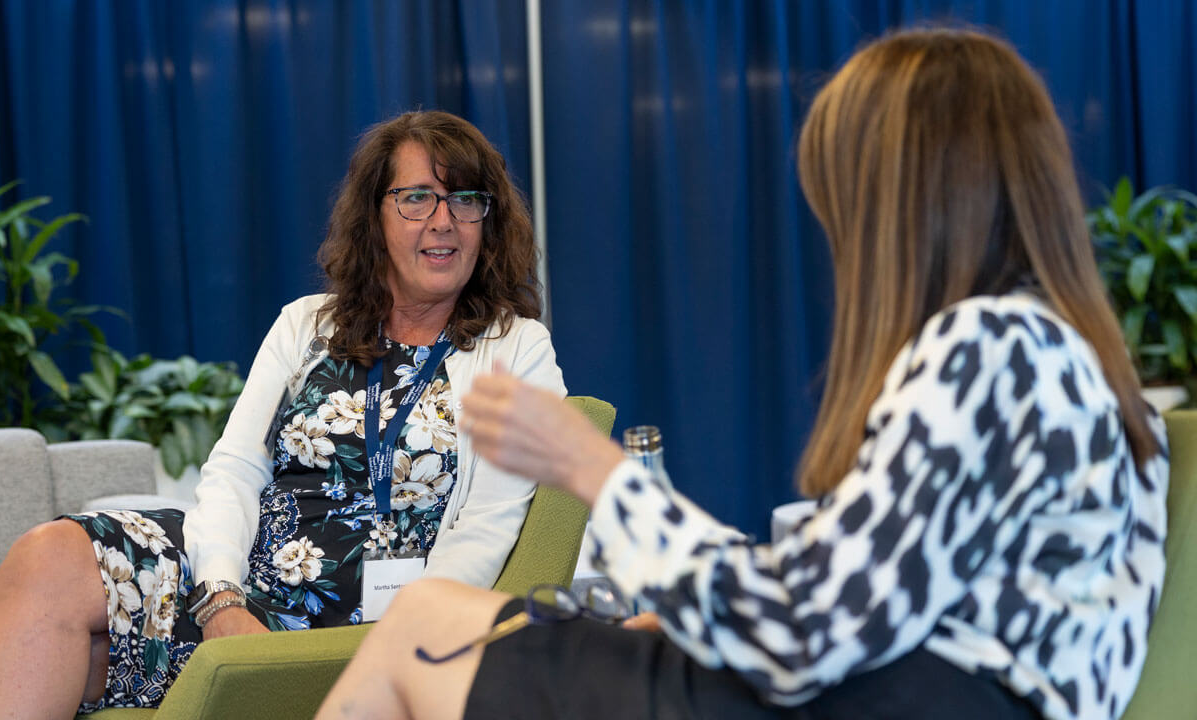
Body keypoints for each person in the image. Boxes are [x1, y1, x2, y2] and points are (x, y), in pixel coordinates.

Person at [313, 28, 1169, 720]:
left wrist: (593, 469)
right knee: (428, 624)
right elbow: (851, 592)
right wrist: (694, 604)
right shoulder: (1075, 356)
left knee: (420, 630)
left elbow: (803, 634)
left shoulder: (988, 348)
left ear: (906, 200)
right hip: (881, 681)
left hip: (883, 696)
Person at [0, 110, 566, 718]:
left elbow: (487, 525)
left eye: (465, 199)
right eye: (416, 199)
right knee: (48, 555)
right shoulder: (307, 323)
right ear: (375, 218)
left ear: (489, 220)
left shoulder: (515, 348)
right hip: (240, 580)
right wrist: (220, 595)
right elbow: (236, 468)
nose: (444, 221)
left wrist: (407, 632)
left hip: (362, 616)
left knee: (88, 657)